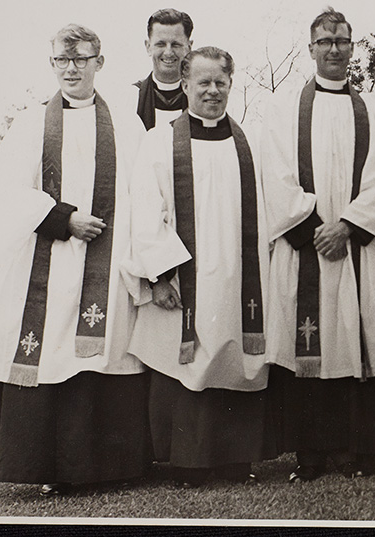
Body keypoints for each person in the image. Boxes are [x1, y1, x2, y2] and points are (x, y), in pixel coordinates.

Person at [0, 24, 149, 496]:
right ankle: (49, 470)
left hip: (108, 263)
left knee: (101, 357)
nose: (71, 68)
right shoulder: (32, 123)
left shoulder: (128, 125)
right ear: (52, 63)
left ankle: (108, 468)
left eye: (81, 59)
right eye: (62, 60)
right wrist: (62, 217)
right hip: (49, 261)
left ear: (100, 61)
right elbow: (4, 191)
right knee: (54, 353)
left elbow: (144, 191)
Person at [261, 9, 375, 481]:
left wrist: (347, 226)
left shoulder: (374, 109)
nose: (333, 49)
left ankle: (358, 452)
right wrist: (314, 230)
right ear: (310, 49)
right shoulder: (284, 109)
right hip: (307, 249)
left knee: (358, 343)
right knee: (311, 347)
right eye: (324, 41)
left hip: (358, 250)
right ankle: (311, 455)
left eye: (342, 42)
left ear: (352, 48)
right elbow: (275, 177)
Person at [126, 46, 269, 487]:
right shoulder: (160, 140)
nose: (212, 91)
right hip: (184, 279)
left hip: (240, 276)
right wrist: (161, 274)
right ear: (184, 85)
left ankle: (236, 461)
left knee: (234, 357)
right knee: (183, 363)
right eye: (202, 82)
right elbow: (144, 210)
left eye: (220, 82)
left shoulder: (252, 142)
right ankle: (188, 463)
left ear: (230, 84)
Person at [134, 8, 193, 130]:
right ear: (148, 47)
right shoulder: (131, 97)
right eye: (160, 44)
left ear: (189, 47)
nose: (168, 52)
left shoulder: (199, 98)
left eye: (176, 44)